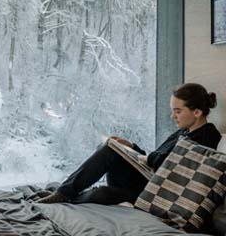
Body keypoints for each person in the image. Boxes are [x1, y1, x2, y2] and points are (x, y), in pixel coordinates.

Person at [38, 83, 221, 205]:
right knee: (113, 148)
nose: (173, 116)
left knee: (101, 193)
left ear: (197, 112)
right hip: (147, 180)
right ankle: (64, 192)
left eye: (178, 111)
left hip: (158, 192)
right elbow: (157, 156)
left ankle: (65, 195)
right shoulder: (185, 131)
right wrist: (132, 148)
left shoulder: (207, 136)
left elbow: (168, 165)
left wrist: (142, 156)